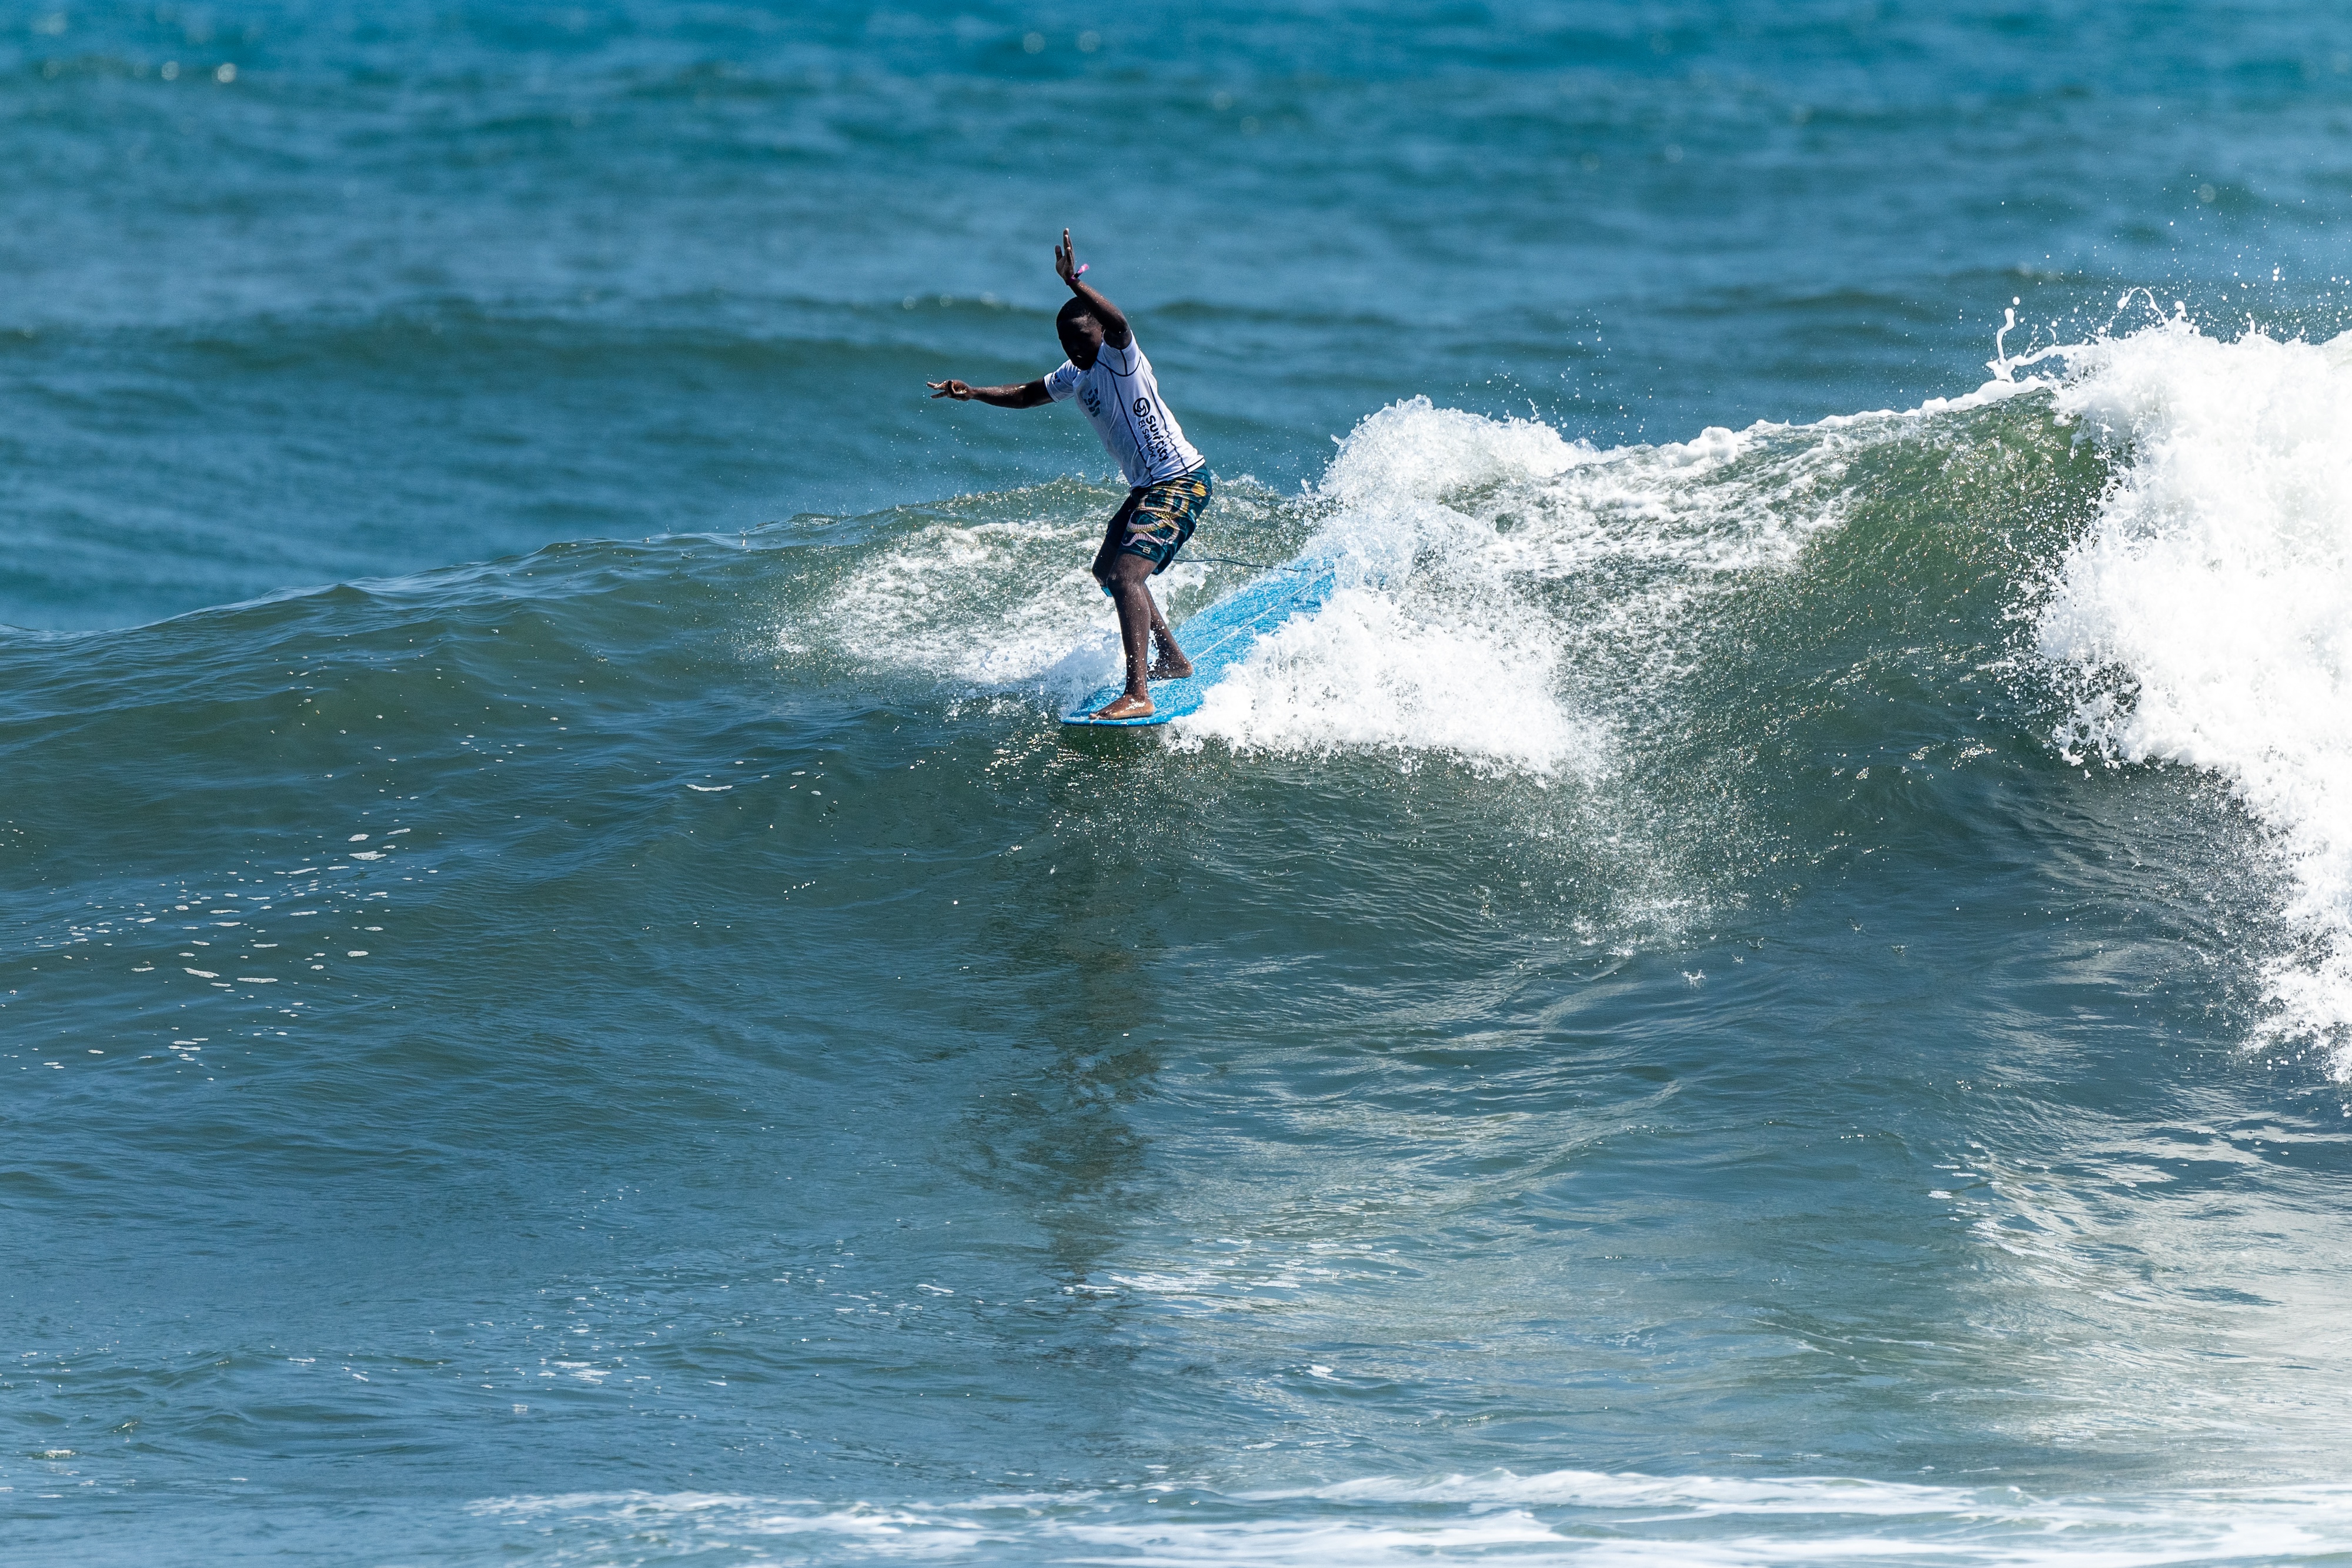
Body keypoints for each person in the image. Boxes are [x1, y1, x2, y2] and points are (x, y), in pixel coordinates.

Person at [929, 229, 1210, 721]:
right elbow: (1025, 394)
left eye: (1083, 338)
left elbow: (1120, 321)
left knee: (1127, 576)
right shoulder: (1074, 375)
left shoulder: (1121, 357)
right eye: (1067, 343)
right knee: (1109, 572)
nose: (1077, 349)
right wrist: (972, 392)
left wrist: (1075, 286)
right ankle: (1171, 658)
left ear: (1099, 332)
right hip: (1148, 488)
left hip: (1179, 479)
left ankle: (1139, 692)